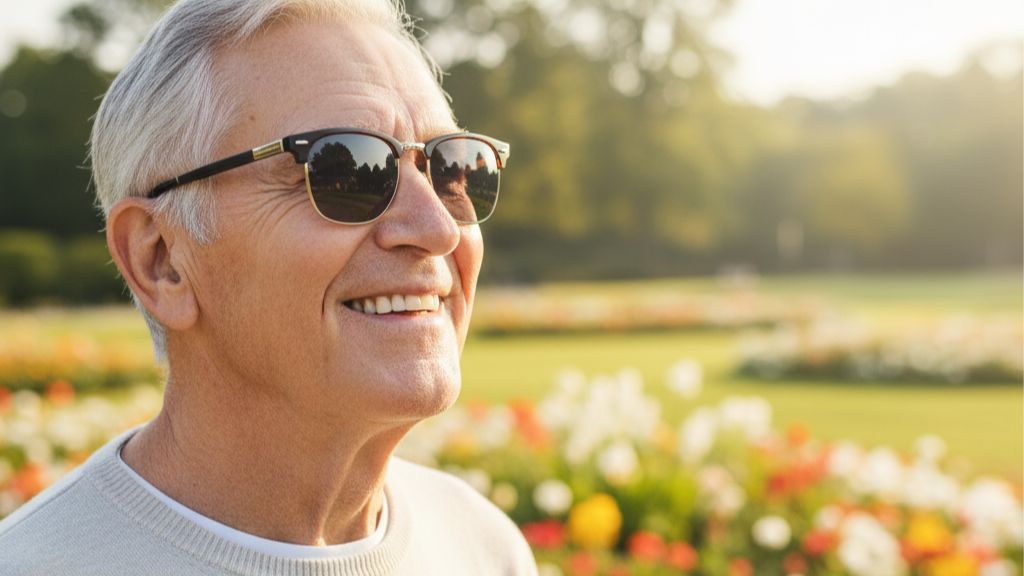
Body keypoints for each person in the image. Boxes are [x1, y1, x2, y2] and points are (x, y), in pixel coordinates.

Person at [0, 0, 535, 573]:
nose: (437, 229)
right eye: (347, 171)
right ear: (160, 260)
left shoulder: (481, 547)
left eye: (454, 169)